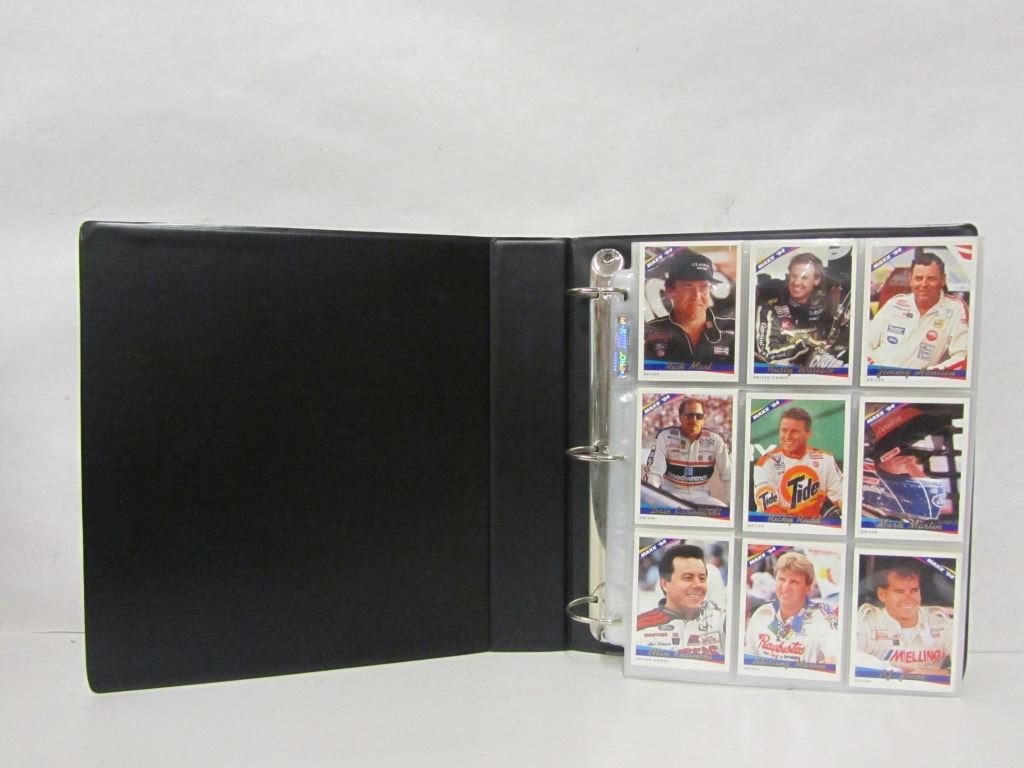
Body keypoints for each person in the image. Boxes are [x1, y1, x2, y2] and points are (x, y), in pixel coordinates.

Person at [865, 250, 969, 371]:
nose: (924, 284)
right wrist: (873, 369)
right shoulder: (895, 303)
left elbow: (963, 358)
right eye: (918, 278)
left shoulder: (955, 308)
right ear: (911, 279)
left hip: (919, 380)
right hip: (877, 375)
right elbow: (865, 344)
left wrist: (925, 375)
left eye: (931, 279)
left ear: (943, 280)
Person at [854, 562, 954, 674]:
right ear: (882, 594)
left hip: (929, 685)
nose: (908, 599)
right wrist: (896, 673)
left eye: (914, 591)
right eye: (899, 592)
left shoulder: (940, 624)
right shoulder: (865, 624)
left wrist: (938, 673)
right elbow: (846, 657)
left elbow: (964, 664)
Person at [754, 252, 847, 369]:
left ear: (816, 280)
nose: (796, 283)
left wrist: (842, 326)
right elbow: (767, 353)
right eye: (794, 276)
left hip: (821, 365)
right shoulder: (770, 308)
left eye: (804, 277)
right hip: (783, 372)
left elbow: (832, 338)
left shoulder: (824, 305)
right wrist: (808, 344)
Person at [745, 552, 839, 666]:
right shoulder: (761, 614)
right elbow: (749, 659)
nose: (785, 587)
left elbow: (835, 652)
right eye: (781, 579)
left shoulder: (822, 618)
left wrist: (832, 658)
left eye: (794, 582)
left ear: (808, 587)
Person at [644, 249, 735, 366]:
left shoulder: (733, 330)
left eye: (703, 287)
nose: (696, 296)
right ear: (669, 290)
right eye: (688, 288)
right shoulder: (650, 332)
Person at [636, 544, 726, 659]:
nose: (698, 585)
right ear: (665, 584)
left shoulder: (719, 620)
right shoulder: (640, 627)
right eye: (688, 577)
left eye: (702, 578)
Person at [752, 407, 843, 521]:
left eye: (794, 431)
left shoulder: (826, 459)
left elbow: (842, 498)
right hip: (776, 527)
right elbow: (771, 509)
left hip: (815, 527)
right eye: (784, 430)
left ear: (808, 433)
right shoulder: (766, 462)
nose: (788, 436)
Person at [644, 397, 731, 508]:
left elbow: (729, 475)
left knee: (722, 510)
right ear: (680, 417)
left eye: (699, 416)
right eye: (689, 416)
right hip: (671, 494)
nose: (694, 420)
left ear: (703, 419)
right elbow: (653, 473)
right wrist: (652, 503)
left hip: (701, 496)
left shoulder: (715, 440)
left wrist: (732, 506)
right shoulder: (665, 437)